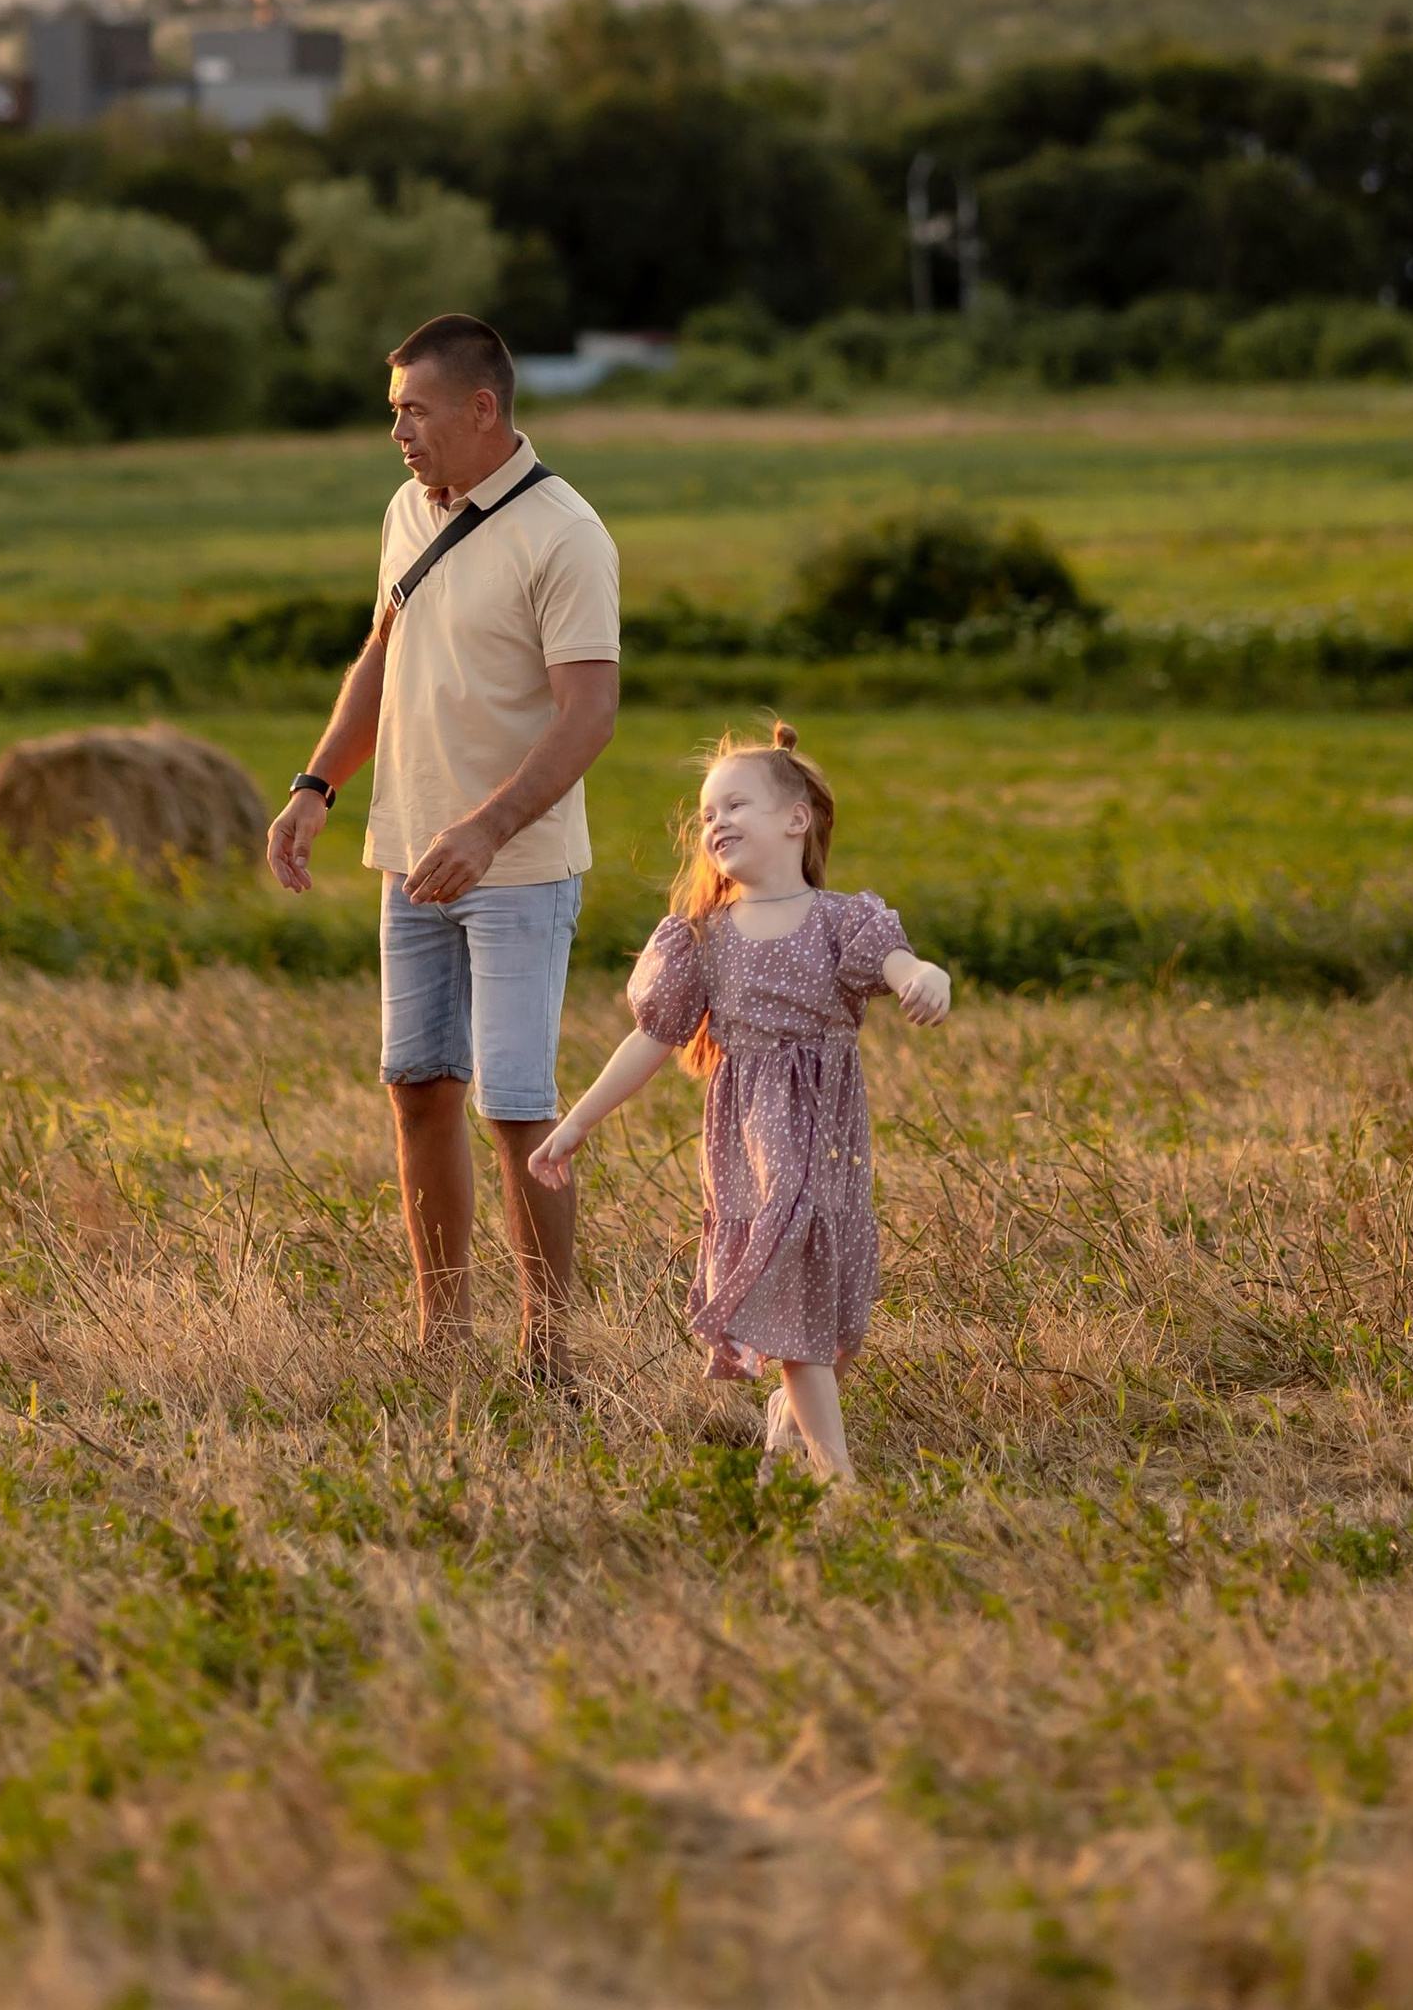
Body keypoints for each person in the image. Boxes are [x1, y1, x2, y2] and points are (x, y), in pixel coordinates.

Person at [266, 313, 620, 1375]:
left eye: (414, 412)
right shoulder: (405, 512)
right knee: (418, 1086)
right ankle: (443, 1339)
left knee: (516, 1109)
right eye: (393, 413)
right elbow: (382, 653)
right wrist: (317, 784)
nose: (399, 434)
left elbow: (589, 715)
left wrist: (489, 826)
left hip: (517, 868)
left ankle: (549, 1354)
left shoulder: (565, 534)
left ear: (481, 409)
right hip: (409, 857)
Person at [530, 724, 951, 1485]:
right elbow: (650, 1040)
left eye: (735, 805)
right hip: (755, 1144)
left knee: (835, 1317)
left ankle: (789, 1423)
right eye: (706, 814)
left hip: (830, 1138)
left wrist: (927, 976)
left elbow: (899, 964)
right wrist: (578, 1120)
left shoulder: (842, 920)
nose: (715, 822)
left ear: (797, 819)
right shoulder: (703, 939)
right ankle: (835, 1479)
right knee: (794, 1303)